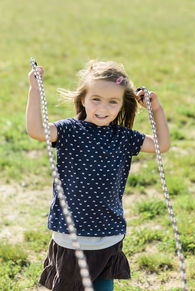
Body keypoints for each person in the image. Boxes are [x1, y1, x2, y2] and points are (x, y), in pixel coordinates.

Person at [26, 60, 170, 291]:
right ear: (83, 99)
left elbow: (161, 145)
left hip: (109, 236)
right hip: (71, 237)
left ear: (123, 105)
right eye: (96, 99)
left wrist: (156, 110)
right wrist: (35, 89)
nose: (103, 108)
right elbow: (35, 130)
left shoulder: (124, 137)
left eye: (113, 102)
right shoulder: (69, 131)